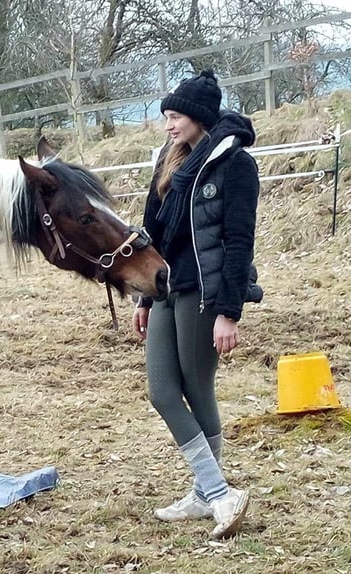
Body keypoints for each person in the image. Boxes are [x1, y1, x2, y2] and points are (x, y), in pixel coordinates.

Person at [132, 69, 261, 540]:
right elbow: (152, 233)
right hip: (166, 290)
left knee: (198, 388)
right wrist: (143, 295)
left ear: (199, 117)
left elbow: (238, 243)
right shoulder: (169, 161)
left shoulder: (235, 165)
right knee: (163, 390)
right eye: (166, 116)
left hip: (205, 294)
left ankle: (209, 492)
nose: (168, 125)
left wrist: (230, 311)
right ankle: (215, 492)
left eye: (175, 116)